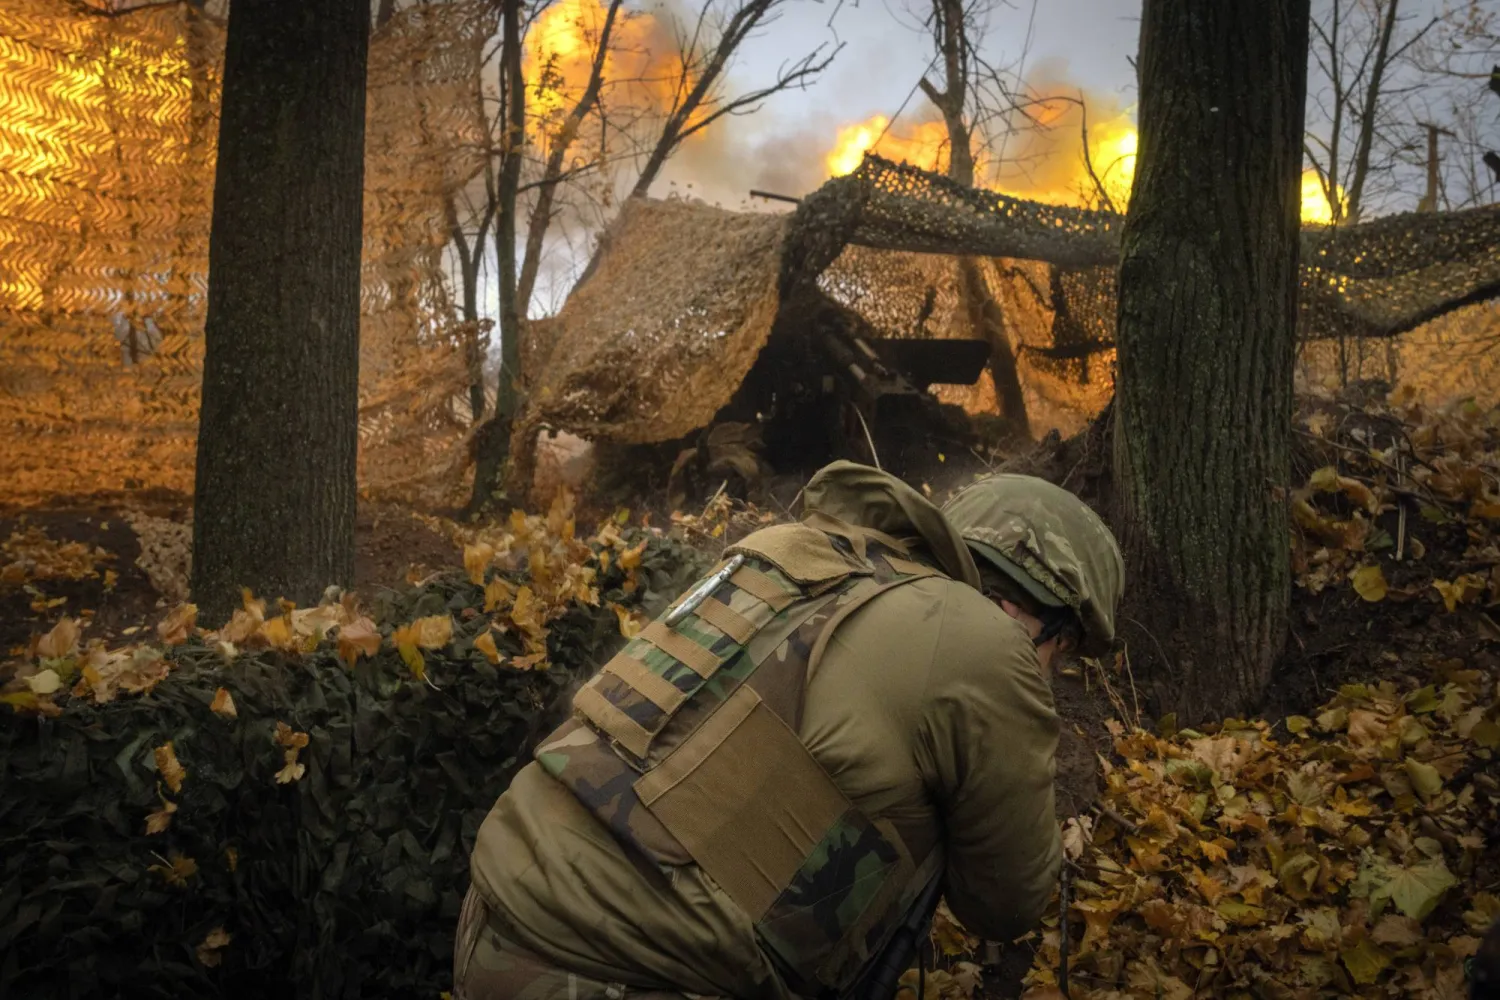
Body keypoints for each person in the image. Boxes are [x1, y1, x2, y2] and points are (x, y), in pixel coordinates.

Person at [453, 460, 1125, 1000]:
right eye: (1058, 654)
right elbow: (1006, 903)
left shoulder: (792, 554)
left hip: (493, 911)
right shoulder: (988, 645)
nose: (1049, 671)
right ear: (1037, 616)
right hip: (628, 973)